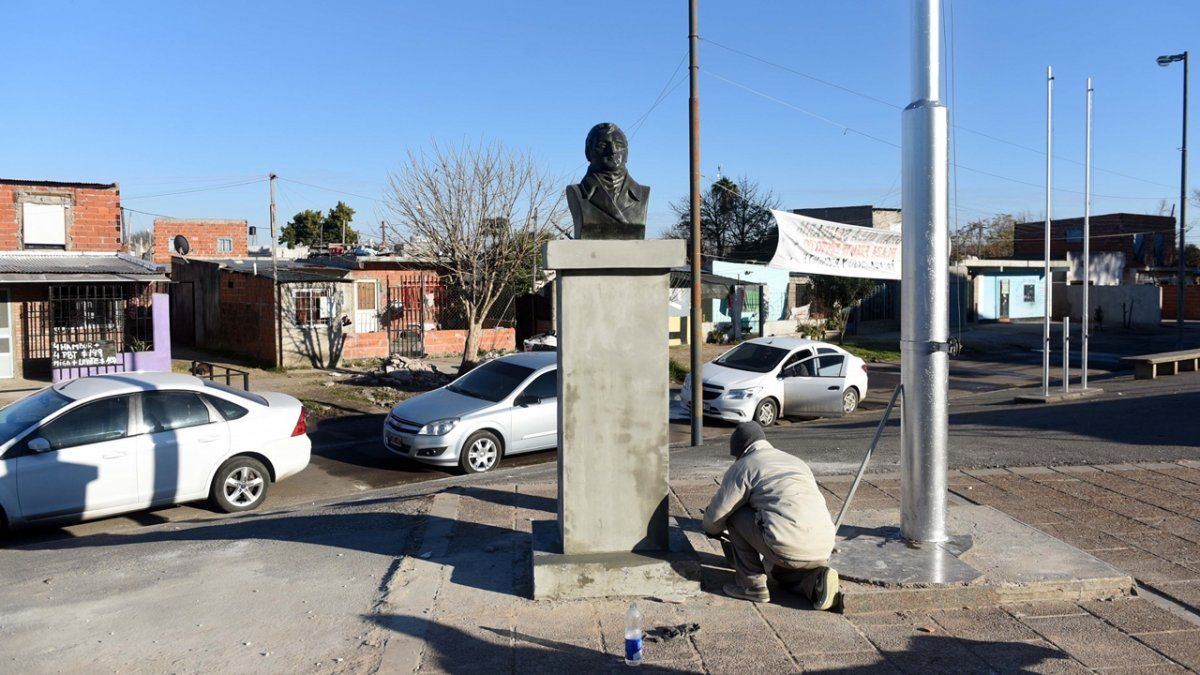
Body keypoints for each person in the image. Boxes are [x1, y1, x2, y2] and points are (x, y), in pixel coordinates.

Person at [702, 421, 839, 609]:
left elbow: (715, 517)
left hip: (785, 545)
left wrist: (712, 529)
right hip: (823, 547)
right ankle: (816, 582)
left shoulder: (744, 466)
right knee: (780, 571)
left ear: (740, 450)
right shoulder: (796, 462)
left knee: (734, 514)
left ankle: (752, 585)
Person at [565, 122, 649, 240]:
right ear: (588, 152)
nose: (613, 151)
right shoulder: (577, 193)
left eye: (619, 145)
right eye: (603, 145)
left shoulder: (642, 194)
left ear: (627, 152)